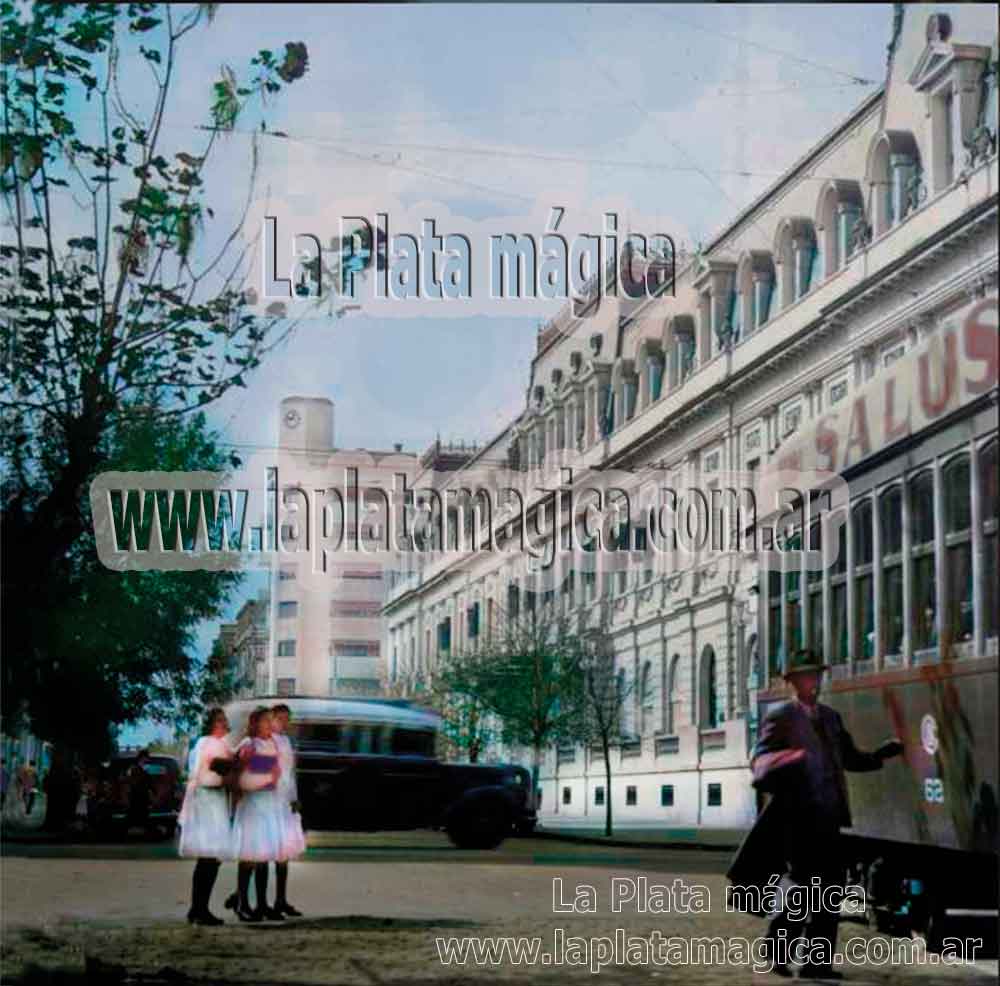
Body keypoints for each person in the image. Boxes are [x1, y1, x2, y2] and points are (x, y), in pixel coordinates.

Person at [727, 650, 904, 980]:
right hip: (797, 820)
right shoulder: (782, 717)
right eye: (807, 676)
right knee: (803, 888)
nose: (814, 682)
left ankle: (816, 962)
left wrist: (881, 754)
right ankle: (778, 951)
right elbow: (761, 762)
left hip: (830, 817)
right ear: (792, 682)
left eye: (817, 675)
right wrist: (787, 764)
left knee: (830, 891)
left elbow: (850, 758)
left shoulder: (831, 718)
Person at [178, 707, 237, 925]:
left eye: (224, 720)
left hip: (212, 800)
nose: (223, 724)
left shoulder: (212, 743)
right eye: (218, 721)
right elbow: (210, 771)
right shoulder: (208, 743)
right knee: (209, 858)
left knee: (209, 859)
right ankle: (200, 908)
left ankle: (198, 907)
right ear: (211, 724)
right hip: (208, 801)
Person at [227, 707, 284, 922]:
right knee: (250, 855)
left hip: (268, 803)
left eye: (271, 721)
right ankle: (242, 903)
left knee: (264, 857)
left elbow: (275, 774)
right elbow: (239, 775)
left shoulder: (272, 744)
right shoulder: (248, 745)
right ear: (255, 723)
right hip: (252, 804)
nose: (270, 725)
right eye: (265, 721)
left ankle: (261, 903)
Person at [271, 703, 306, 916]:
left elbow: (290, 773)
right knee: (266, 851)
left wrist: (294, 798)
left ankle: (280, 899)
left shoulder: (285, 741)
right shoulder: (268, 741)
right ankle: (244, 897)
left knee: (283, 853)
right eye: (280, 718)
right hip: (270, 800)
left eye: (287, 719)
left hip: (285, 800)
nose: (284, 723)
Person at [127, 750, 153, 836]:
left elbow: (149, 783)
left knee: (143, 814)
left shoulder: (145, 768)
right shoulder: (134, 768)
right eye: (146, 758)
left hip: (142, 796)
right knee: (137, 814)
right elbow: (133, 782)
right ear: (142, 758)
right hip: (136, 795)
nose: (148, 760)